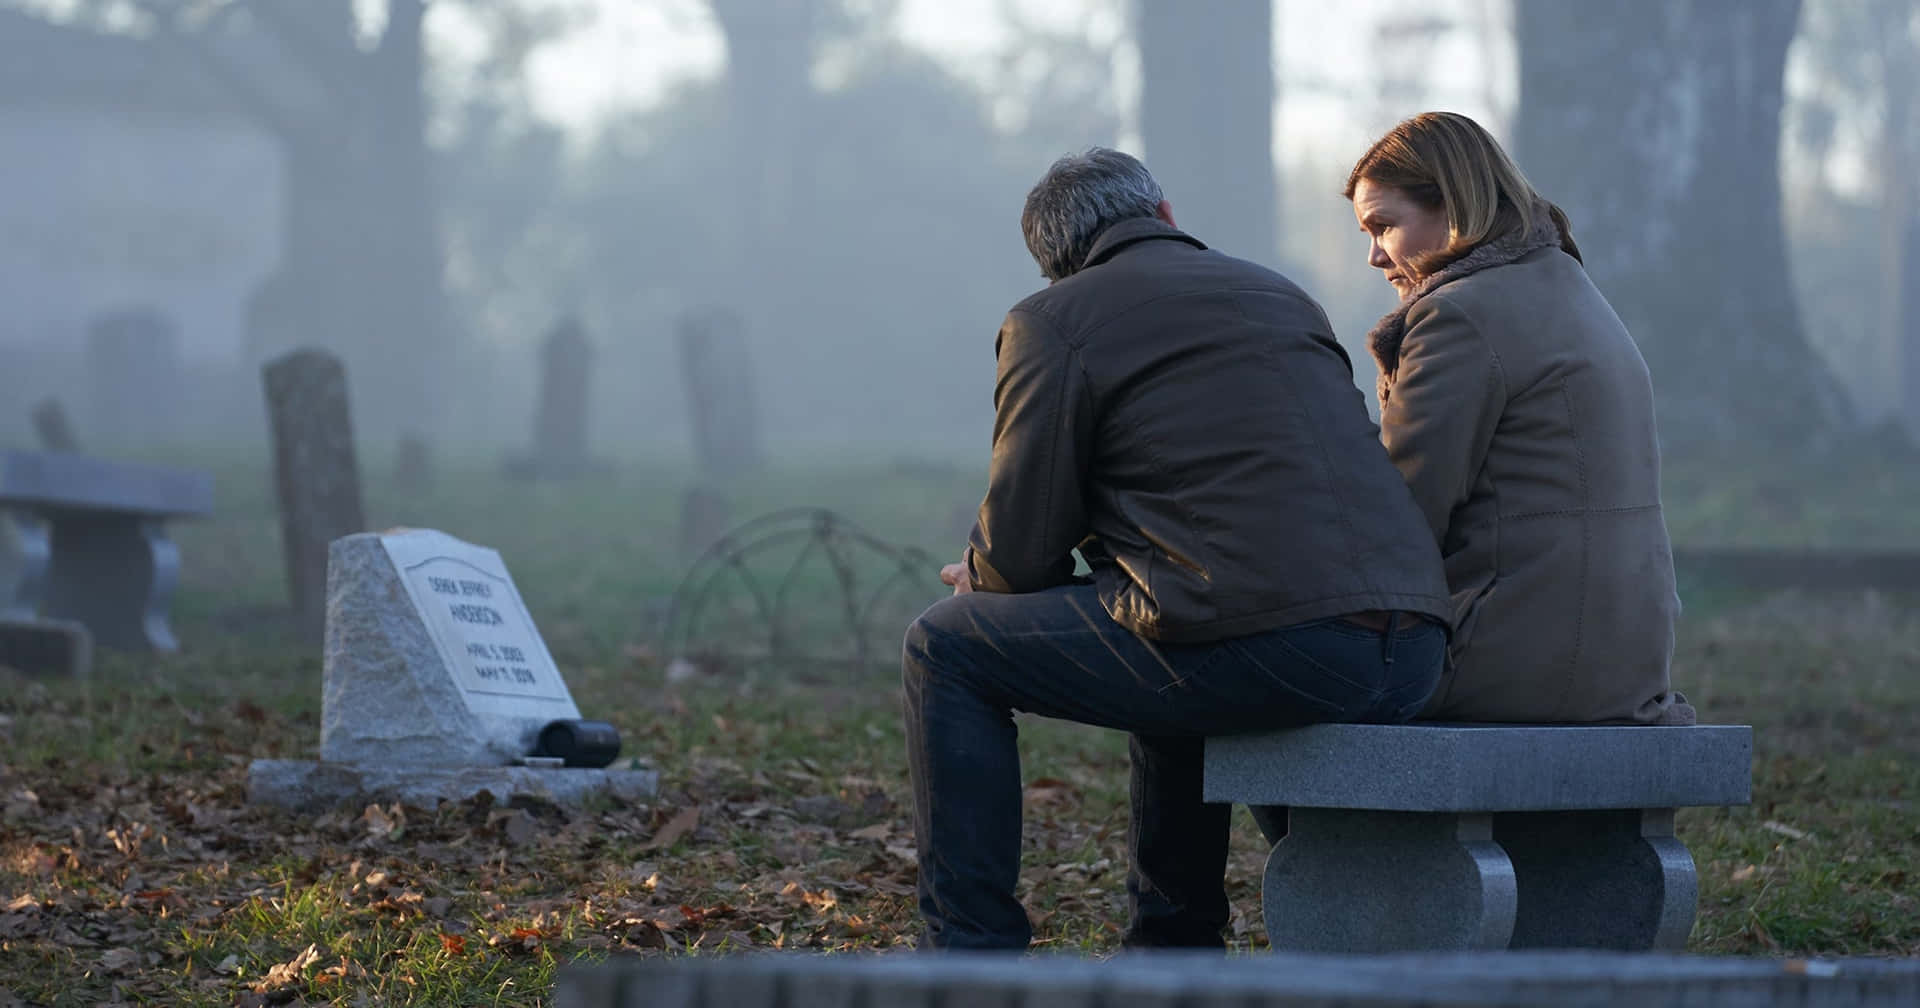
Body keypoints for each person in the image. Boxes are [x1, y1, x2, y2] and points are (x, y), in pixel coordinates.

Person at [902, 148, 1453, 952]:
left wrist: (978, 581)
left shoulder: (1051, 321)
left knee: (944, 647)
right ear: (1163, 216)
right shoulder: (1279, 295)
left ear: (1058, 264)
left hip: (1278, 643)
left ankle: (968, 951)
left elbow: (1022, 546)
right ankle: (1169, 942)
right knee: (1159, 617)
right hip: (1412, 643)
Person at [1345, 112, 1692, 726]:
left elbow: (1400, 521)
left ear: (1455, 207)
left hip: (1514, 654)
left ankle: (1326, 830)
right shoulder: (1569, 284)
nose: (1374, 256)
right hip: (1627, 660)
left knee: (1259, 677)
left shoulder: (1458, 316)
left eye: (1384, 226)